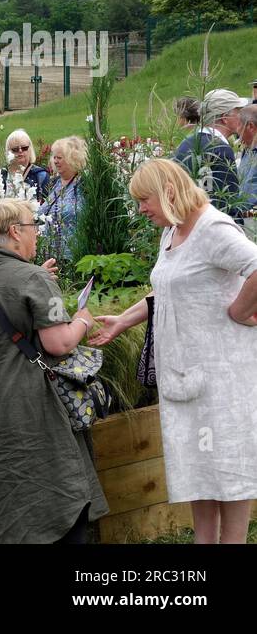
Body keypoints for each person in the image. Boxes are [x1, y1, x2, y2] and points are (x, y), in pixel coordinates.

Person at [90, 159, 257, 543]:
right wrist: (123, 320)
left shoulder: (213, 228)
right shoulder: (173, 231)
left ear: (168, 191)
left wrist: (240, 310)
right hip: (185, 377)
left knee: (227, 471)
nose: (141, 209)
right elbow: (166, 287)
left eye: (143, 200)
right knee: (199, 468)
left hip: (222, 379)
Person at [0, 198, 107, 543]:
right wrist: (83, 321)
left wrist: (38, 277)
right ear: (14, 232)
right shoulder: (33, 277)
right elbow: (59, 343)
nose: (37, 233)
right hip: (31, 406)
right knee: (57, 489)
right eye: (33, 226)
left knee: (0, 494)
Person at [175, 88, 246, 217]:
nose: (242, 117)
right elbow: (226, 203)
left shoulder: (187, 143)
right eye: (238, 112)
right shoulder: (220, 150)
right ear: (225, 117)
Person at [37, 136, 86, 261]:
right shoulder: (55, 184)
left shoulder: (84, 184)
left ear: (73, 159)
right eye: (54, 157)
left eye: (59, 158)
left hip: (74, 256)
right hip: (50, 256)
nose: (55, 161)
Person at [1, 128, 50, 201]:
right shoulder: (1, 175)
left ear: (30, 149)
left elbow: (47, 206)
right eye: (15, 149)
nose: (20, 151)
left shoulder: (41, 175)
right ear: (8, 152)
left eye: (24, 148)